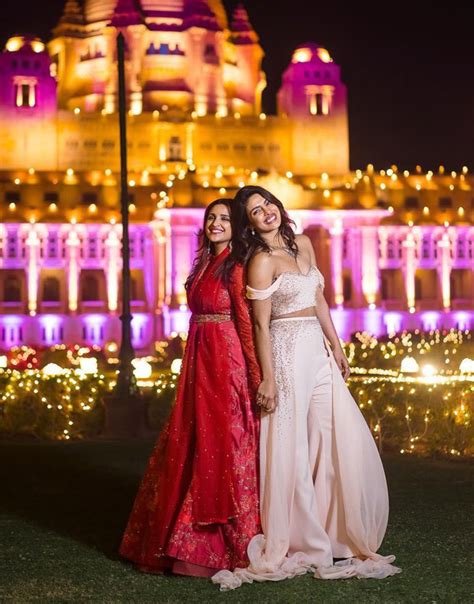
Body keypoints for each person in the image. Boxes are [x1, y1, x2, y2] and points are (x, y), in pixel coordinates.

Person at [213, 186, 400, 590]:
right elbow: (261, 324)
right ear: (249, 223)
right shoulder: (261, 261)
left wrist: (335, 343)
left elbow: (318, 298)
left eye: (268, 205)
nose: (265, 213)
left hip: (315, 346)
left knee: (332, 433)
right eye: (254, 211)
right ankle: (305, 540)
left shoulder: (303, 244)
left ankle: (337, 534)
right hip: (285, 349)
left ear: (278, 207)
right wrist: (268, 376)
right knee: (291, 442)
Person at [120, 199, 261, 578]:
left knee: (225, 440)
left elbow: (246, 323)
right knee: (192, 438)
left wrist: (255, 374)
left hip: (226, 360)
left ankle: (226, 542)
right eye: (211, 218)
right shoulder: (203, 263)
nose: (216, 224)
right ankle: (173, 538)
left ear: (236, 227)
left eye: (224, 219)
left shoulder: (235, 265)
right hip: (200, 356)